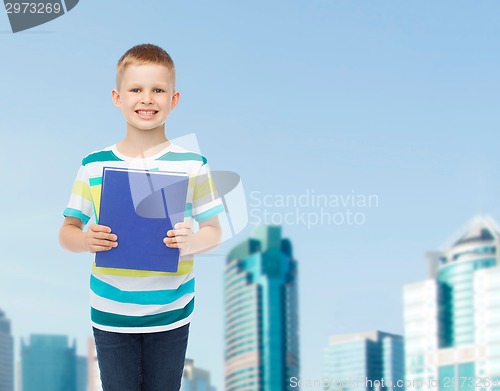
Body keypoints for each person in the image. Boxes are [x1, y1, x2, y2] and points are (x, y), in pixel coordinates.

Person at [59, 43, 224, 391]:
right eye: (136, 89)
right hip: (111, 313)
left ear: (174, 99)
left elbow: (214, 229)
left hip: (172, 312)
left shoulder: (193, 164)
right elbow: (67, 231)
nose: (147, 99)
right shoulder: (94, 164)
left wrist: (193, 241)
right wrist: (85, 239)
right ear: (117, 97)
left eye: (158, 90)